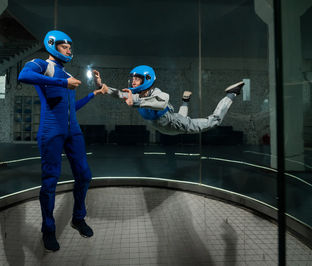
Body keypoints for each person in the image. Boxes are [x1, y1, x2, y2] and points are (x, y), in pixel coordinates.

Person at [18, 30, 107, 252]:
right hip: (51, 131)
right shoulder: (43, 65)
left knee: (85, 175)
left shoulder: (66, 75)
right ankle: (48, 229)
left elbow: (70, 108)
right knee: (50, 181)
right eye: (64, 46)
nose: (69, 49)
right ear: (52, 45)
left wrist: (93, 94)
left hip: (72, 131)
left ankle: (78, 218)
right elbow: (23, 76)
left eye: (70, 46)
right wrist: (60, 82)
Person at [93, 65, 244, 135]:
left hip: (171, 123)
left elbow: (161, 102)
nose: (133, 82)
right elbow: (118, 94)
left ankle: (231, 94)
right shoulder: (136, 95)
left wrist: (136, 103)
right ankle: (185, 100)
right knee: (181, 117)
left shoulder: (156, 93)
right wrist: (102, 86)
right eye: (132, 78)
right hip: (164, 126)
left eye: (137, 79)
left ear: (147, 79)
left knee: (213, 122)